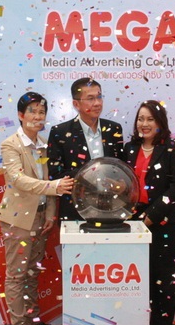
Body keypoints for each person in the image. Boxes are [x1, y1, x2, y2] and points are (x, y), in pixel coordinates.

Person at [0, 92, 74, 325]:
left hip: (41, 217)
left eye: (41, 112)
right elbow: (18, 179)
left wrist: (50, 212)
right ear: (21, 115)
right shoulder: (11, 145)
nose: (37, 117)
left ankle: (32, 319)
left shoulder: (43, 145)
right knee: (17, 275)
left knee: (31, 272)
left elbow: (47, 180)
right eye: (32, 111)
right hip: (17, 218)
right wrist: (54, 187)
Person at [123, 100, 175, 325]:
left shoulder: (172, 147)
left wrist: (152, 215)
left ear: (160, 122)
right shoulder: (130, 148)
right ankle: (145, 323)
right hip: (135, 220)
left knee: (165, 276)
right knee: (142, 275)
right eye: (141, 119)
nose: (144, 124)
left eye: (150, 119)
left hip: (164, 221)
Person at [47, 77, 124, 221]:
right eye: (90, 98)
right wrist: (92, 176)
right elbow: (55, 174)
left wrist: (120, 183)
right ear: (76, 104)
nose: (97, 103)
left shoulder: (114, 129)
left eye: (99, 97)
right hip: (75, 209)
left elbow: (121, 166)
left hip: (110, 208)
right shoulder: (60, 132)